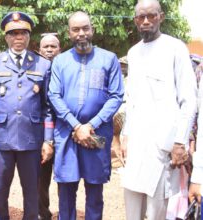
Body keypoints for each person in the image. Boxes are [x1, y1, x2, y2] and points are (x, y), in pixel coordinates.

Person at [121, 1, 197, 219]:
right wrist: (126, 134)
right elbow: (132, 98)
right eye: (140, 17)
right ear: (135, 21)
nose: (146, 21)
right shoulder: (133, 52)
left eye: (151, 16)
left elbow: (188, 99)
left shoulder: (175, 48)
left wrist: (180, 142)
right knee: (132, 209)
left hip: (163, 145)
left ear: (161, 17)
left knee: (157, 212)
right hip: (136, 144)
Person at [48, 11, 124, 220]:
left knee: (95, 191)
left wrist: (91, 125)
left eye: (85, 28)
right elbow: (54, 95)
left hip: (97, 133)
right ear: (69, 33)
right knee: (66, 191)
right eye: (76, 29)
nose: (81, 33)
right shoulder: (60, 61)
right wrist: (76, 125)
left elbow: (116, 96)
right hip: (67, 134)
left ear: (92, 29)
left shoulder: (108, 59)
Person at [0, 11, 54, 220]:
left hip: (32, 141)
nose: (18, 37)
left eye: (23, 33)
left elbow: (47, 107)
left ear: (29, 36)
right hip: (1, 141)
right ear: (6, 37)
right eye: (13, 33)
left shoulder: (43, 65)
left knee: (32, 193)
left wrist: (48, 141)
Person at [38, 33, 60, 220]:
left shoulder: (66, 70)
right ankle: (42, 214)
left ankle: (66, 213)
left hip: (64, 134)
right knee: (40, 180)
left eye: (53, 46)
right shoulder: (34, 70)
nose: (50, 50)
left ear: (59, 50)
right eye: (46, 47)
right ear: (39, 50)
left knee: (65, 179)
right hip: (41, 135)